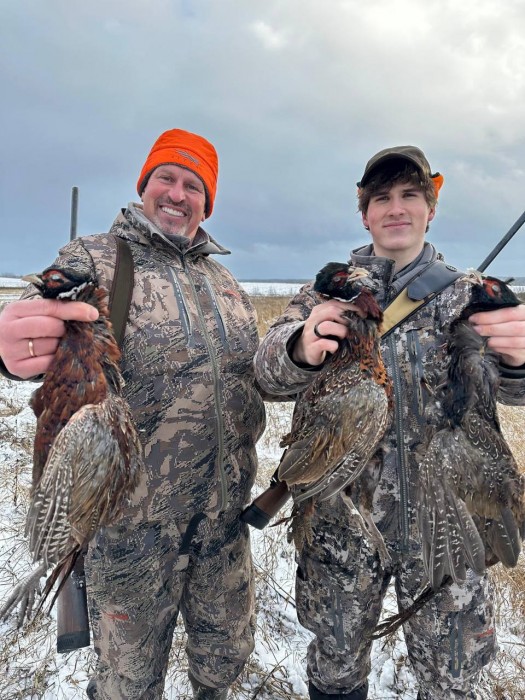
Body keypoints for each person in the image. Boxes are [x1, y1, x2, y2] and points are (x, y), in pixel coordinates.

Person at [0, 128, 266, 699]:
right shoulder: (97, 260)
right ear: (144, 184)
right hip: (131, 533)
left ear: (207, 202)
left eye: (193, 185)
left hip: (223, 525)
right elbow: (41, 315)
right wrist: (13, 347)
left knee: (224, 659)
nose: (177, 194)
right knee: (128, 682)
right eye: (166, 177)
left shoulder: (224, 283)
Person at [253, 146, 525, 700]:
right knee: (335, 664)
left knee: (451, 676)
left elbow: (515, 391)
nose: (395, 208)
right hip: (342, 521)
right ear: (365, 214)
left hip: (445, 524)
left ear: (430, 208)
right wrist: (300, 348)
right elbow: (267, 374)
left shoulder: (468, 295)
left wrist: (520, 359)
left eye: (409, 195)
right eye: (381, 198)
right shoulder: (327, 292)